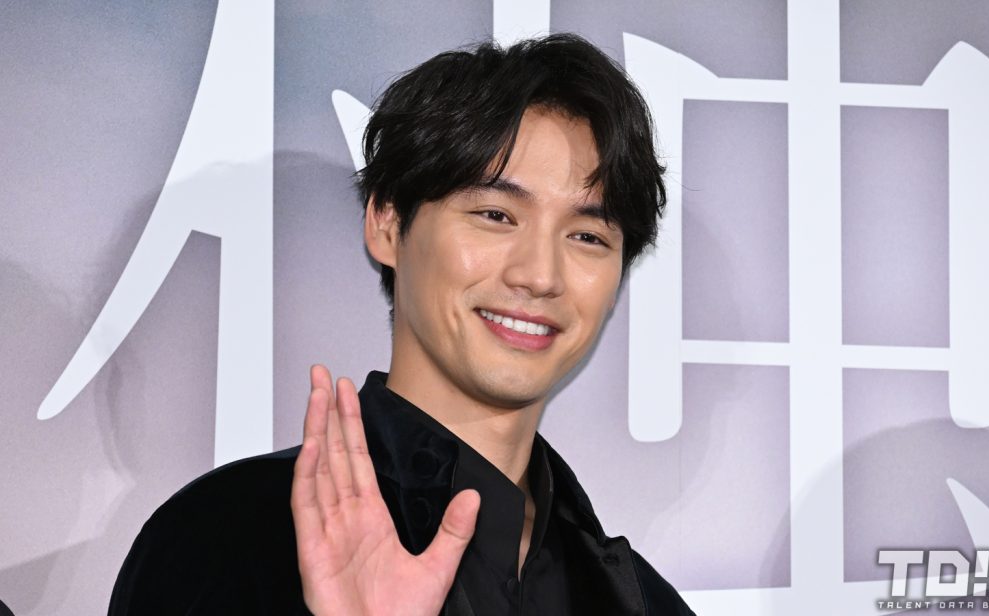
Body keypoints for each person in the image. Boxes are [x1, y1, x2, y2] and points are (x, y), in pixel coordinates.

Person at [109, 33, 696, 615]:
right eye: (496, 215)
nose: (540, 275)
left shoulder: (645, 602)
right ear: (387, 223)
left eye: (587, 236)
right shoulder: (231, 538)